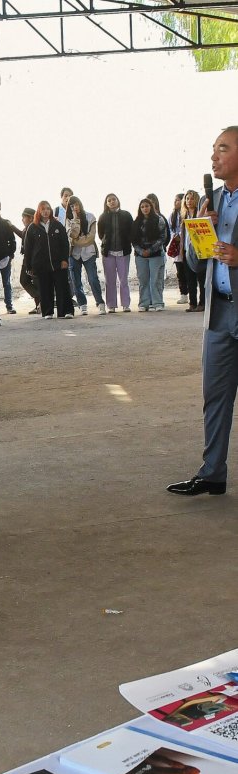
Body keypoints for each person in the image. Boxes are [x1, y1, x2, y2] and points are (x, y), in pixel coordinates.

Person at [167, 126, 238, 497]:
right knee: (215, 396)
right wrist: (199, 233)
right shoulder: (211, 200)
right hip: (219, 316)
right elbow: (196, 265)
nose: (214, 156)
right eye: (213, 149)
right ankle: (212, 473)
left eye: (223, 148)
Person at [24, 201, 73, 320]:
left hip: (58, 263)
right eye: (43, 209)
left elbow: (65, 244)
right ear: (39, 211)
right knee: (45, 288)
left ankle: (66, 311)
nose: (45, 211)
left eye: (48, 209)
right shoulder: (33, 227)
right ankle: (47, 312)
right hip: (41, 265)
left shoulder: (57, 225)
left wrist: (64, 259)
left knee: (62, 287)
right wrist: (29, 266)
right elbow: (28, 248)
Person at [66, 196, 106, 315]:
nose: (75, 208)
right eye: (72, 206)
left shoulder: (90, 216)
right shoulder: (68, 220)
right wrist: (75, 220)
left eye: (76, 204)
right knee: (76, 280)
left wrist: (77, 240)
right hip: (74, 254)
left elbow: (91, 237)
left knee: (93, 278)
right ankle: (82, 304)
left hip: (89, 252)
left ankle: (100, 303)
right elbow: (72, 234)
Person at [97, 194, 133, 313]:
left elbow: (130, 231)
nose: (112, 202)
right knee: (110, 280)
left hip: (123, 252)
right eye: (109, 200)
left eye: (114, 199)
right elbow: (101, 234)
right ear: (106, 203)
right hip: (108, 253)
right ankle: (111, 305)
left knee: (123, 279)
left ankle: (126, 304)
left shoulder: (126, 215)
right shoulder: (103, 217)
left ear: (118, 200)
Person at [132, 198, 167, 311]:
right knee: (143, 280)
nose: (145, 208)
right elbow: (134, 240)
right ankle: (144, 303)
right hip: (140, 255)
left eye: (147, 206)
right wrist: (141, 251)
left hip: (156, 254)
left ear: (151, 207)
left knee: (155, 279)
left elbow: (163, 237)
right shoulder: (137, 222)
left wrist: (150, 250)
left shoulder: (159, 220)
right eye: (142, 207)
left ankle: (157, 303)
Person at [0, 199, 17, 315]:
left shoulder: (6, 223)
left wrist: (10, 254)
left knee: (6, 283)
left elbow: (12, 240)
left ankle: (9, 306)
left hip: (5, 258)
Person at [180, 189, 207, 313]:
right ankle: (192, 303)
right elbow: (183, 235)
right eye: (187, 198)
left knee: (201, 278)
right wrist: (181, 250)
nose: (189, 201)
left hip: (198, 251)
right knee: (189, 279)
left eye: (191, 198)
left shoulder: (199, 213)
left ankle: (202, 303)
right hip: (186, 250)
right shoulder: (184, 215)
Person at [12, 207, 40, 313]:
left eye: (24, 217)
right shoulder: (27, 228)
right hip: (27, 258)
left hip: (32, 260)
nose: (22, 220)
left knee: (29, 281)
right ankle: (40, 303)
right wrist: (12, 227)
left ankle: (40, 302)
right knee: (25, 280)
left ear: (30, 218)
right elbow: (22, 235)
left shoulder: (34, 228)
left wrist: (30, 264)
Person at [169, 193, 189, 305]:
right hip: (176, 247)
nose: (176, 202)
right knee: (180, 272)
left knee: (188, 272)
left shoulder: (186, 214)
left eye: (178, 200)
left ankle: (192, 293)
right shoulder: (172, 215)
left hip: (186, 245)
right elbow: (169, 229)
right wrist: (175, 236)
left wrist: (181, 235)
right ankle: (183, 294)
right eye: (175, 200)